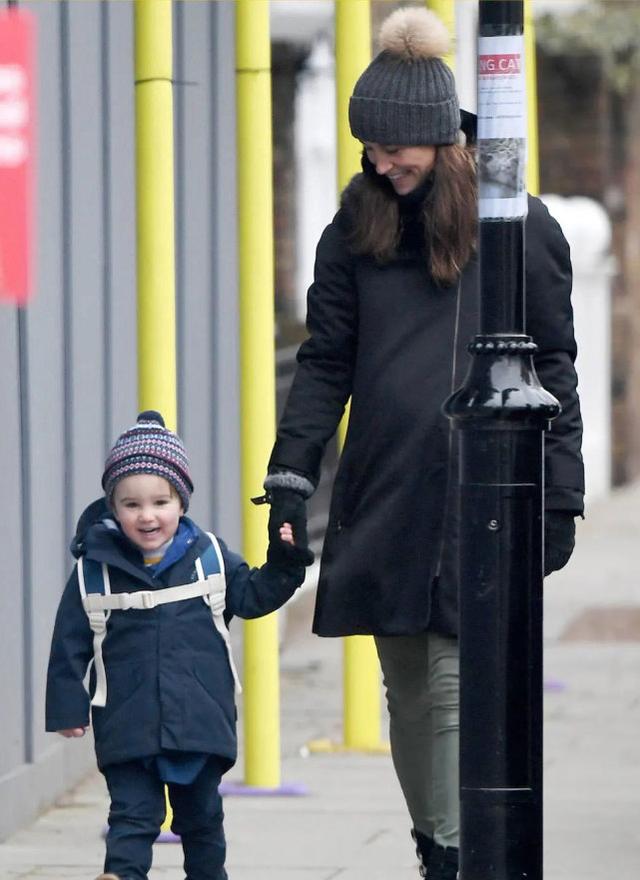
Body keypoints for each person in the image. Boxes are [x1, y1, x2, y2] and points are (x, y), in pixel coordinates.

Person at [263, 8, 584, 880]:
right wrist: (290, 480)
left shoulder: (515, 225)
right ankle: (437, 843)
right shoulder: (354, 230)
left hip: (482, 490)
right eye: (368, 149)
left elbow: (555, 360)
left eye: (393, 148)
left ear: (441, 138)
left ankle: (454, 856)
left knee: (449, 684)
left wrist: (560, 493)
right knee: (407, 686)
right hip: (388, 488)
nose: (378, 163)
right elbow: (324, 363)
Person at [45, 410, 313, 880]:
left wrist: (286, 562)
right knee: (131, 817)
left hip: (198, 717)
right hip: (128, 718)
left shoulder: (208, 555)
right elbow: (70, 642)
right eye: (130, 505)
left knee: (202, 819)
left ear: (181, 502)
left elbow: (251, 597)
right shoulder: (94, 569)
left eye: (160, 502)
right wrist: (68, 707)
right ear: (112, 506)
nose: (147, 516)